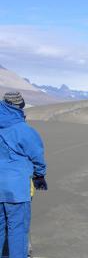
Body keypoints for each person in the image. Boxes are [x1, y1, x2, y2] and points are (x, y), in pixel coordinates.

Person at [0, 92, 47, 258]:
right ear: (20, 107)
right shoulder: (24, 130)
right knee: (17, 229)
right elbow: (37, 156)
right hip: (17, 190)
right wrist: (40, 176)